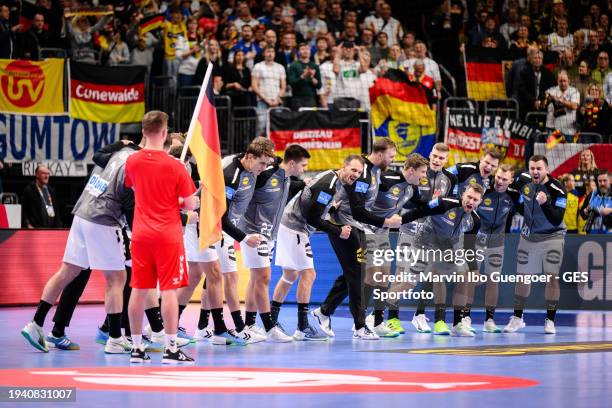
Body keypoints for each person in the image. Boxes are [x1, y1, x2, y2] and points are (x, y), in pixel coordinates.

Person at [20, 137, 144, 354]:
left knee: (67, 272)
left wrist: (119, 143)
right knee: (117, 278)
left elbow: (96, 156)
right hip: (104, 218)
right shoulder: (139, 161)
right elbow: (129, 201)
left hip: (82, 213)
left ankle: (35, 324)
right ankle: (115, 338)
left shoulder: (114, 154)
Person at [125, 111, 198, 364]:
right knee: (168, 291)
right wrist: (179, 199)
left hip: (141, 234)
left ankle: (135, 348)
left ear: (143, 131)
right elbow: (189, 206)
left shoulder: (132, 161)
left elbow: (136, 188)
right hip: (168, 235)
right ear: (165, 132)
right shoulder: (176, 166)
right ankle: (170, 348)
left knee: (139, 289)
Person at [312, 138, 402, 340]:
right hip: (345, 226)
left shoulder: (374, 172)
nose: (394, 160)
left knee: (353, 273)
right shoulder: (362, 174)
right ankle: (360, 326)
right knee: (357, 274)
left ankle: (325, 311)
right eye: (392, 156)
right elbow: (358, 211)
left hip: (357, 227)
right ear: (379, 154)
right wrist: (386, 221)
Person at [396, 183, 485, 337]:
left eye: (475, 200)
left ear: (480, 202)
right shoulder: (445, 204)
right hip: (423, 243)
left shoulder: (474, 221)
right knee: (408, 284)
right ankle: (376, 314)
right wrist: (397, 221)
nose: (471, 201)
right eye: (469, 197)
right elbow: (420, 211)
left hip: (444, 248)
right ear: (463, 194)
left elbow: (469, 246)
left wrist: (474, 268)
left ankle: (456, 324)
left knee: (463, 276)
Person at [242, 145, 311, 341]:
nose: (304, 169)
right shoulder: (265, 174)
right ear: (292, 163)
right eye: (303, 165)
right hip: (254, 232)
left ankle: (249, 324)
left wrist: (307, 183)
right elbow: (244, 196)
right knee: (263, 277)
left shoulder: (288, 179)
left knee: (256, 278)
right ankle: (269, 327)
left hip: (269, 235)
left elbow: (295, 187)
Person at [387, 143, 457, 335]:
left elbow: (445, 208)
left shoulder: (449, 179)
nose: (436, 160)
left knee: (434, 273)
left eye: (441, 158)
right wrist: (430, 202)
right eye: (434, 156)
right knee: (402, 273)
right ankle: (392, 318)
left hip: (431, 234)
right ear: (430, 154)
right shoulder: (419, 173)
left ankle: (428, 318)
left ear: (446, 160)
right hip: (409, 229)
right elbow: (406, 199)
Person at [361, 153, 429, 336]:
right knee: (370, 275)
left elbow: (423, 206)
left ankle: (376, 321)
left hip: (382, 232)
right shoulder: (388, 178)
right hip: (365, 229)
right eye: (422, 172)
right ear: (411, 170)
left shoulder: (412, 189)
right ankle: (359, 321)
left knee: (384, 276)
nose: (424, 177)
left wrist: (441, 204)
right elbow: (363, 189)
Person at [218, 137, 276, 343]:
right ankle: (240, 329)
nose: (264, 168)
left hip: (225, 230)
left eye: (267, 164)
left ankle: (209, 329)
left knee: (211, 280)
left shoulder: (251, 168)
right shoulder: (231, 176)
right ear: (249, 157)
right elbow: (220, 218)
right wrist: (244, 238)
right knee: (228, 278)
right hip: (216, 230)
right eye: (262, 163)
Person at [504, 155, 567, 335]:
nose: (535, 172)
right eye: (532, 168)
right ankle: (517, 318)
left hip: (552, 235)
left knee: (551, 276)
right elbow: (511, 190)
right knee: (522, 277)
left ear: (547, 169)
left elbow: (557, 219)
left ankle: (550, 320)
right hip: (528, 236)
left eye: (539, 168)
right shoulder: (523, 180)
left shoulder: (558, 189)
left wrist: (545, 203)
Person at [252, 46, 287, 135]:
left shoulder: (280, 67)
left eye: (272, 51)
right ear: (264, 53)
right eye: (268, 51)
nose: (270, 54)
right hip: (262, 102)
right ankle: (258, 149)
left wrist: (277, 99)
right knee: (261, 128)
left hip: (277, 102)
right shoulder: (258, 66)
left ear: (275, 54)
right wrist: (266, 100)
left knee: (276, 128)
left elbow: (283, 87)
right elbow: (254, 86)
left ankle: (275, 149)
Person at [287, 42, 322, 109]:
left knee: (312, 119)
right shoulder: (293, 65)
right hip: (297, 99)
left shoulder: (315, 66)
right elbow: (292, 83)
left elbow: (319, 86)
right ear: (299, 52)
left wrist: (312, 77)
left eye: (307, 49)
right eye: (302, 49)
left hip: (311, 99)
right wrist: (303, 76)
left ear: (310, 51)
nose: (305, 51)